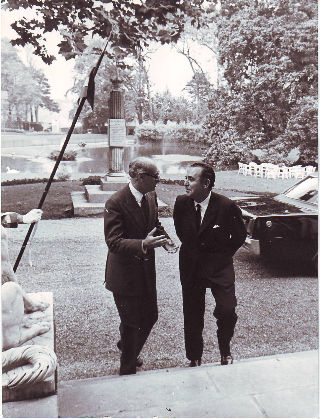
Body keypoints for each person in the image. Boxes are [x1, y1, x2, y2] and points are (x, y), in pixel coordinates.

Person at [173, 162, 246, 367]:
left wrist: (221, 255)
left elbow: (239, 235)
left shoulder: (226, 205)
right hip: (191, 266)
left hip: (219, 267)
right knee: (192, 312)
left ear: (206, 183)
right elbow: (182, 232)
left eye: (190, 179)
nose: (184, 183)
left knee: (227, 309)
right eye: (186, 178)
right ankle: (194, 357)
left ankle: (225, 349)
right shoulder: (181, 203)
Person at [104, 157, 172, 375]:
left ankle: (127, 347)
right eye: (156, 177)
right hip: (124, 275)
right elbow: (113, 242)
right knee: (131, 323)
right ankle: (127, 368)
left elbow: (154, 224)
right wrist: (143, 244)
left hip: (145, 272)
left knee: (151, 316)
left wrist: (165, 239)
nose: (159, 181)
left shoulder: (151, 195)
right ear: (141, 177)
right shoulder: (115, 202)